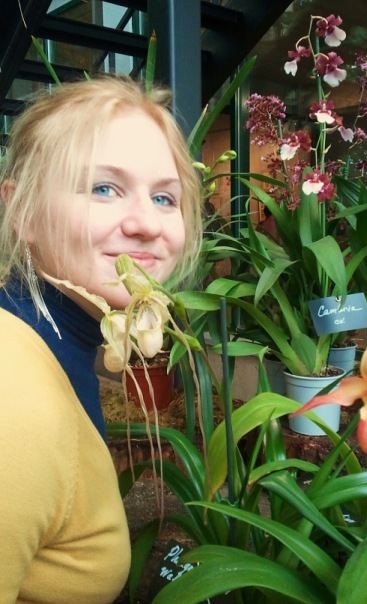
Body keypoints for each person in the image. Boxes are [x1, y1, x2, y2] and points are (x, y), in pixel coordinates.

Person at [0, 75, 202, 603]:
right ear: (21, 211)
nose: (147, 224)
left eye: (165, 197)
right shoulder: (12, 399)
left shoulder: (53, 347)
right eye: (104, 188)